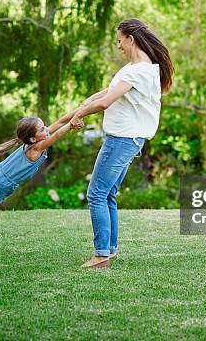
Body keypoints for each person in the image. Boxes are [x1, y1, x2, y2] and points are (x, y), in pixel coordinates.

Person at [71, 18, 174, 268]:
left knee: (95, 194)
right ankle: (109, 250)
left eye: (120, 40)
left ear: (131, 39)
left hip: (121, 141)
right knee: (107, 196)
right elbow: (107, 94)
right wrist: (87, 101)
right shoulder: (142, 68)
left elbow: (106, 103)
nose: (118, 45)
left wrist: (79, 115)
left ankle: (101, 254)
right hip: (128, 141)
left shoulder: (137, 71)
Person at [0, 111, 83, 222]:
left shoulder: (32, 141)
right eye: (42, 128)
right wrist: (70, 126)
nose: (46, 129)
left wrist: (80, 111)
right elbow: (56, 135)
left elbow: (60, 121)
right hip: (3, 182)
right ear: (33, 138)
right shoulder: (37, 148)